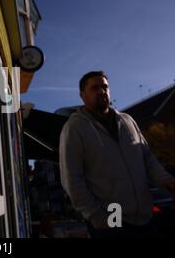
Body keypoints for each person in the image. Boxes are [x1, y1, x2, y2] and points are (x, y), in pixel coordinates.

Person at [59, 71, 175, 237]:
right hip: (110, 224)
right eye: (94, 88)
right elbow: (71, 179)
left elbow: (148, 159)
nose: (101, 91)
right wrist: (98, 217)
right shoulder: (75, 128)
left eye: (105, 87)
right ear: (82, 95)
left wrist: (167, 182)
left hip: (145, 219)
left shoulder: (127, 120)